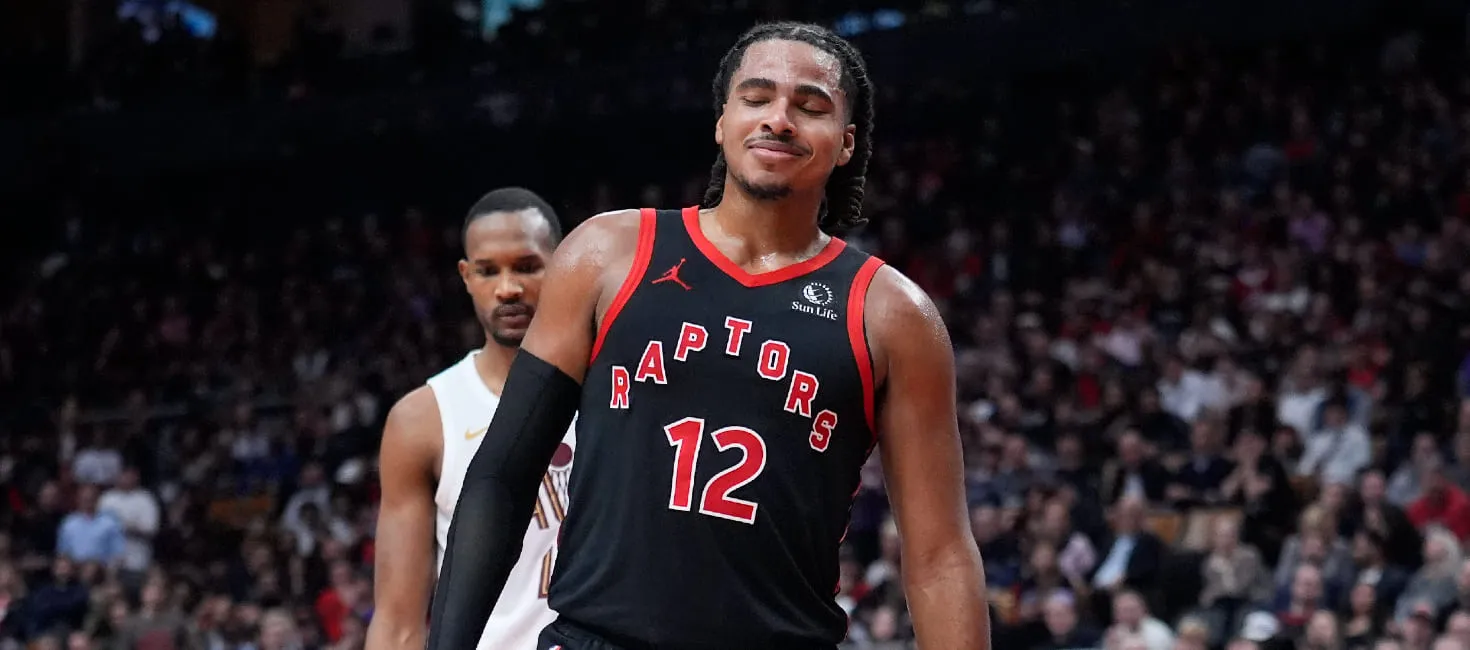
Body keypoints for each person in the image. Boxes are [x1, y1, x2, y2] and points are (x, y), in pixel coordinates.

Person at [427, 21, 989, 650]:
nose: (779, 119)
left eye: (810, 107)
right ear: (722, 122)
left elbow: (939, 555)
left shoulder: (893, 314)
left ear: (846, 143)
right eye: (756, 98)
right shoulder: (607, 253)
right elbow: (503, 476)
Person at [366, 188, 575, 650]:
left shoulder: (617, 388)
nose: (508, 288)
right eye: (488, 270)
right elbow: (398, 624)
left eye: (527, 266)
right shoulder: (423, 419)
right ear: (465, 276)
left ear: (563, 264)